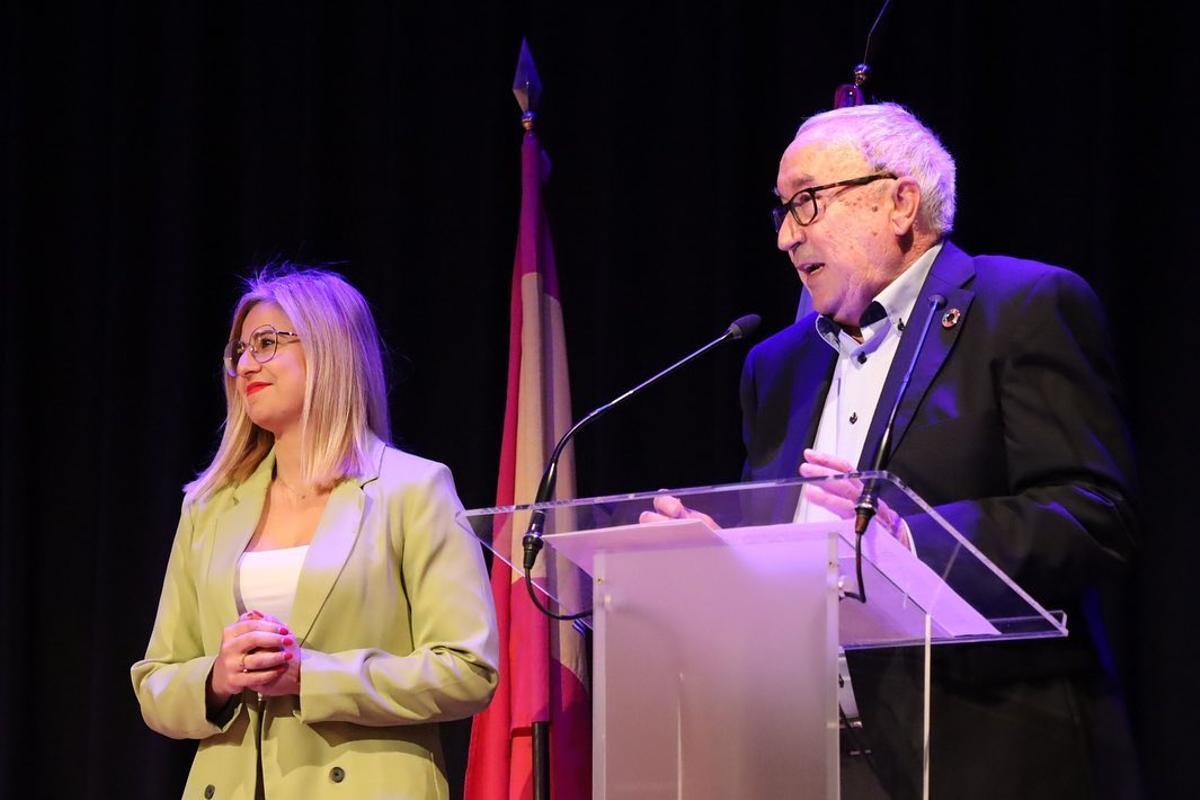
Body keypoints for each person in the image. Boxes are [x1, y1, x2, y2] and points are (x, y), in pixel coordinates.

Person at [651, 103, 1141, 798]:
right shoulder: (775, 366)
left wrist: (908, 538)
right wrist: (723, 559)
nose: (787, 237)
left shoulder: (1023, 306)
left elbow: (1097, 516)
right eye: (782, 211)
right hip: (812, 755)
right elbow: (791, 557)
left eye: (808, 203)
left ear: (901, 201)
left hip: (989, 753)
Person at [131, 268, 499, 799]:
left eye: (266, 343)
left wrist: (312, 676)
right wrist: (217, 678)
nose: (245, 365)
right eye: (239, 350)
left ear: (331, 349)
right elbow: (155, 685)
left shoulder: (412, 489)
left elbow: (468, 670)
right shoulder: (208, 509)